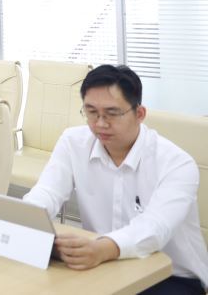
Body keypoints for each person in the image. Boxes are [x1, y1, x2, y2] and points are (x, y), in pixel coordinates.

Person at [24, 65, 207, 294]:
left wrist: (103, 249)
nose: (100, 123)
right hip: (103, 265)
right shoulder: (73, 142)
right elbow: (48, 192)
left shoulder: (177, 163)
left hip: (171, 276)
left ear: (139, 114)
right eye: (91, 112)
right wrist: (26, 218)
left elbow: (154, 228)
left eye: (112, 113)